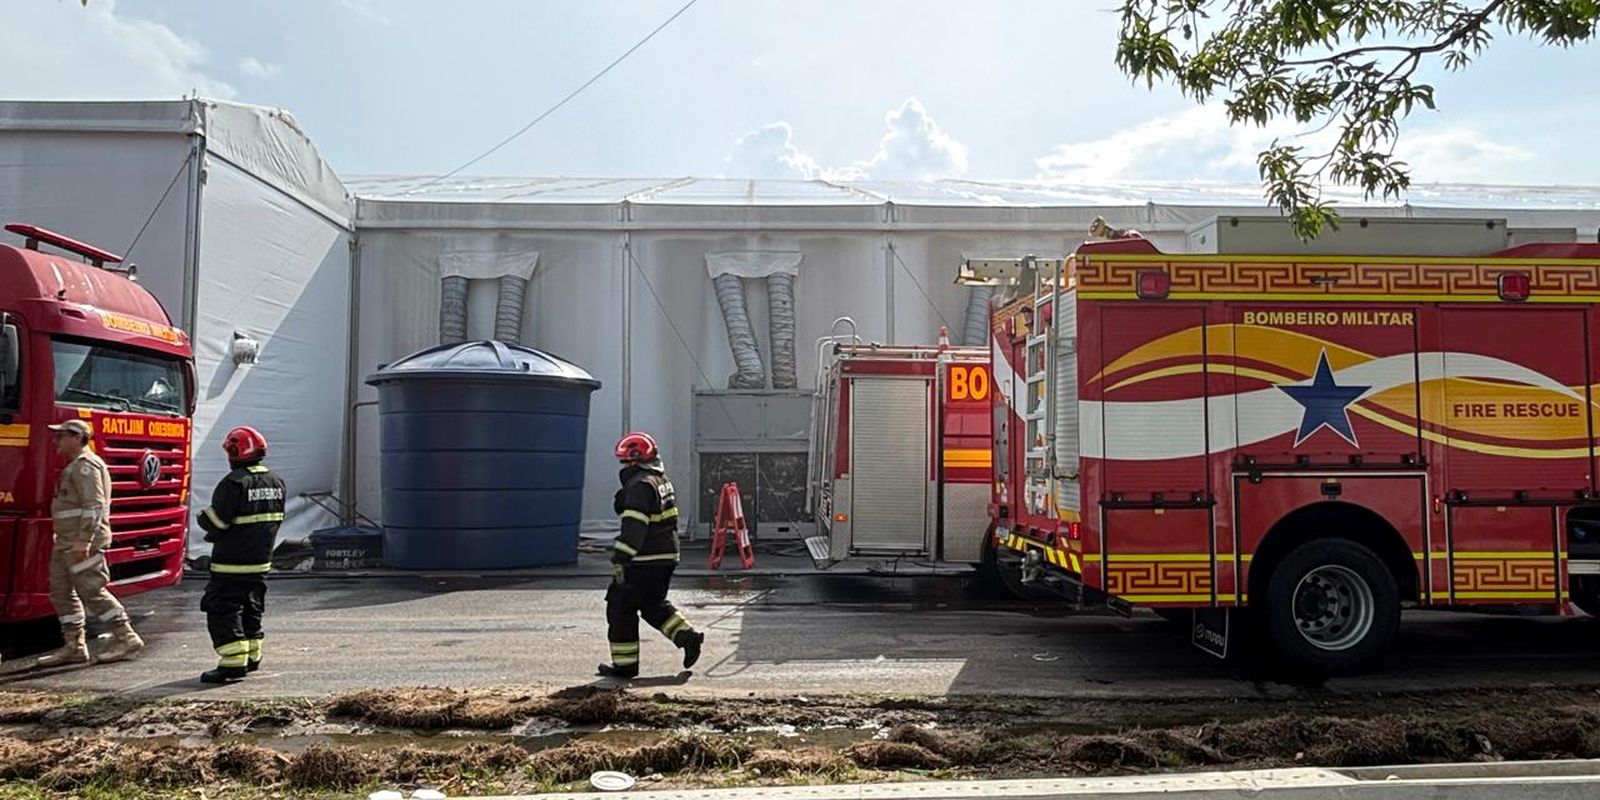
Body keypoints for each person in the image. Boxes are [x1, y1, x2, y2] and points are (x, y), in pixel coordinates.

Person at [36, 419, 144, 666]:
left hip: (81, 543)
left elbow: (93, 506)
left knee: (93, 591)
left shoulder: (86, 466)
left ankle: (126, 637)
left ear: (77, 438)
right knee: (61, 593)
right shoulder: (73, 466)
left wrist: (83, 541)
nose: (56, 441)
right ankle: (74, 646)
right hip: (66, 541)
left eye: (61, 436)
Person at [600, 432, 705, 679]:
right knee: (651, 605)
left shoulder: (639, 486)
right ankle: (688, 637)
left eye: (624, 462)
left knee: (620, 607)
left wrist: (621, 557)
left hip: (644, 559)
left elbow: (635, 528)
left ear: (634, 461)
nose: (622, 467)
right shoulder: (659, 480)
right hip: (665, 556)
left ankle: (625, 667)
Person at [195, 426, 285, 684]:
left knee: (222, 608)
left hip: (231, 563)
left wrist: (203, 517)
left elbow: (217, 522)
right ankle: (252, 657)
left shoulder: (234, 483)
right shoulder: (276, 481)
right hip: (261, 561)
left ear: (235, 452)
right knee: (251, 606)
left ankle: (232, 664)